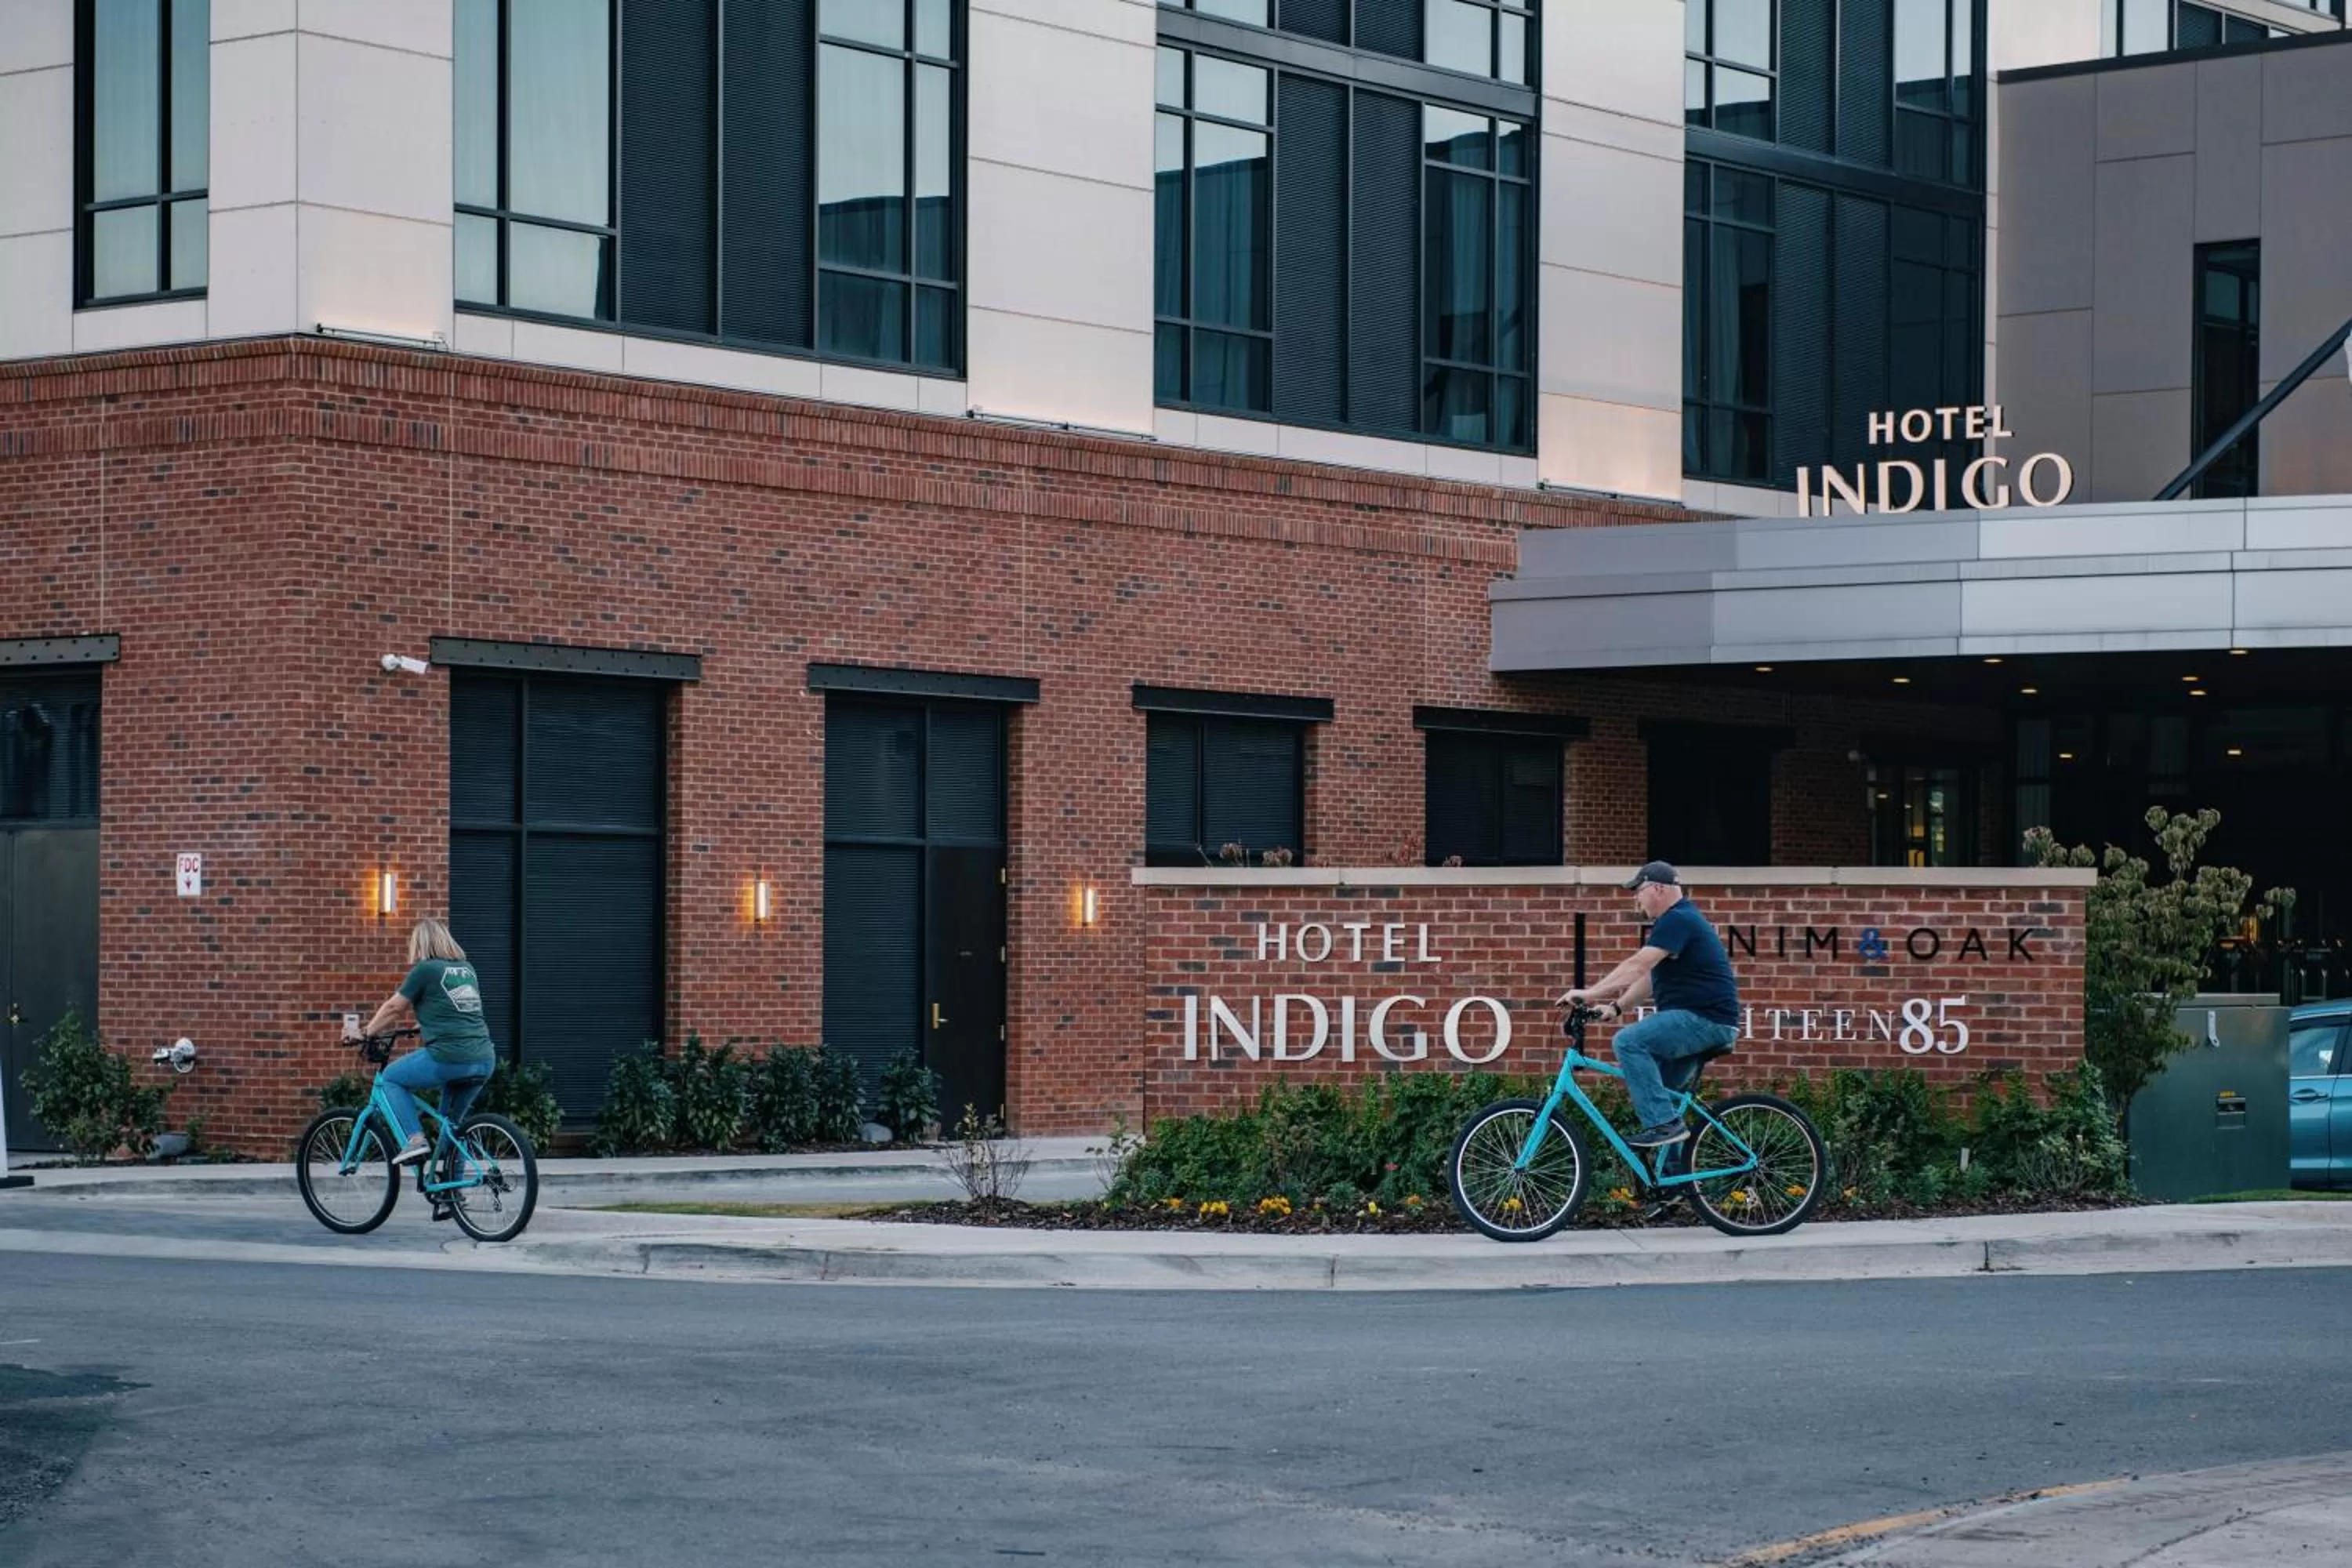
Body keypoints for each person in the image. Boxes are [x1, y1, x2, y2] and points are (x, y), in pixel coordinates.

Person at [1562, 861, 1741, 1148]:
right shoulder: (1676, 923)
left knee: (1628, 1042)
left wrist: (1590, 993)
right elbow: (1648, 979)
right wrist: (1615, 1008)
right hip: (1702, 1021)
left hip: (1704, 1020)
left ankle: (1662, 1125)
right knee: (1665, 1097)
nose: (1636, 898)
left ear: (1658, 888)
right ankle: (1673, 1184)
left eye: (1639, 890)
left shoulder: (1678, 919)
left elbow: (1637, 965)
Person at [346, 917, 498, 1168]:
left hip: (449, 1057)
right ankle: (452, 1200)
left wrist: (366, 1032)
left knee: (391, 1079)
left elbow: (395, 1007)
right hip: (483, 1058)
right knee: (453, 1129)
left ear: (422, 944)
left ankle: (414, 1140)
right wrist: (425, 1024)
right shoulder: (466, 969)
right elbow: (458, 1008)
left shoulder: (426, 970)